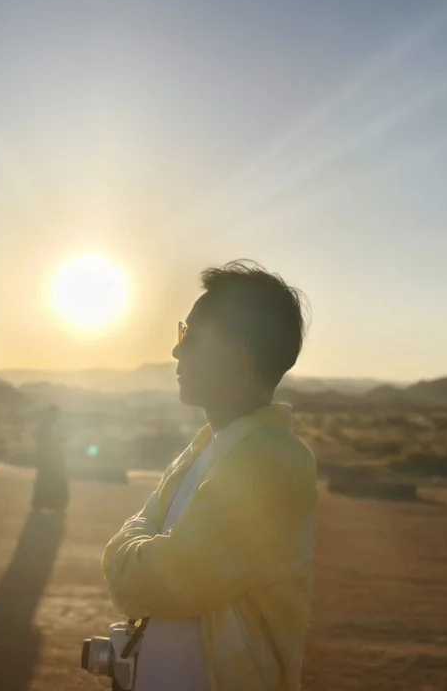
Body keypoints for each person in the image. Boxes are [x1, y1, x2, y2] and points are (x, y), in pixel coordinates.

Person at [101, 260, 317, 691]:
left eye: (190, 335)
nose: (176, 351)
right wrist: (137, 552)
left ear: (237, 352)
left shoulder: (270, 462)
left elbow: (162, 583)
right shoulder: (206, 448)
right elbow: (142, 553)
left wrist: (129, 553)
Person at [31, 405, 69, 512]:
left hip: (50, 458)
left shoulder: (51, 426)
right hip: (47, 458)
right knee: (47, 480)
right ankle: (45, 503)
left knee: (49, 480)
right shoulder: (46, 427)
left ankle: (49, 504)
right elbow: (43, 441)